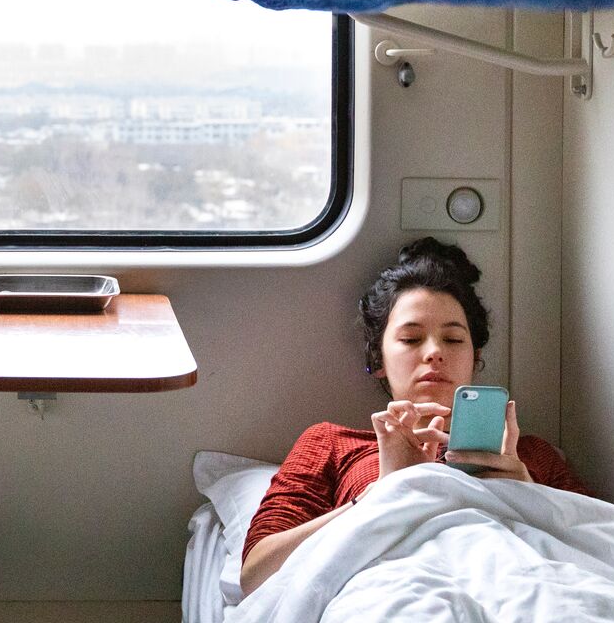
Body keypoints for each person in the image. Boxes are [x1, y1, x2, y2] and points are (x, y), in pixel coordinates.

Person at [238, 237, 591, 598]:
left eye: (453, 340)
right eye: (411, 339)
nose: (435, 352)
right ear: (378, 359)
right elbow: (255, 575)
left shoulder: (530, 457)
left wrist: (527, 495)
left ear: (475, 355)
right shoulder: (331, 444)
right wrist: (379, 496)